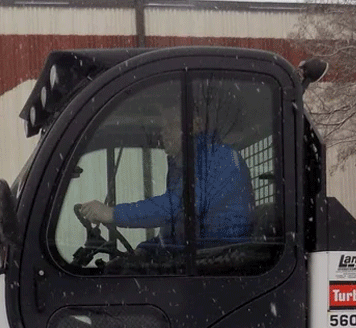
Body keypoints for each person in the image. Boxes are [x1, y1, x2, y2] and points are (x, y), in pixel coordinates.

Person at [79, 102, 255, 249]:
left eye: (171, 125)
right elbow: (174, 232)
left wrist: (112, 213)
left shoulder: (216, 158)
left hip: (221, 261)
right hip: (199, 256)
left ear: (195, 125)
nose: (164, 133)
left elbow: (177, 208)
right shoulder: (185, 165)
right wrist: (147, 249)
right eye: (163, 127)